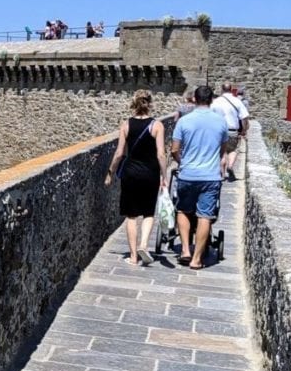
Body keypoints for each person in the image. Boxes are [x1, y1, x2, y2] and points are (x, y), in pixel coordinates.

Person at [171, 85, 233, 269]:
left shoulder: (184, 121)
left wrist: (182, 162)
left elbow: (174, 149)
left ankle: (185, 250)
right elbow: (223, 151)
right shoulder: (221, 122)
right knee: (205, 216)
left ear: (195, 100)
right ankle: (197, 259)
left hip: (188, 174)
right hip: (210, 176)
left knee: (182, 210)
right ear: (211, 100)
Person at [104, 89, 167, 266]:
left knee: (131, 216)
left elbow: (119, 153)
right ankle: (144, 245)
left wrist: (110, 172)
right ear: (150, 103)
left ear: (134, 104)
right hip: (150, 173)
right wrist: (165, 175)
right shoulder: (157, 126)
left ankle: (133, 256)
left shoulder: (126, 125)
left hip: (130, 173)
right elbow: (161, 154)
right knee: (148, 212)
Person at [211, 81, 249, 181]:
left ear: (222, 89)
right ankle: (230, 166)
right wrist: (243, 130)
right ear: (231, 89)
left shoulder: (216, 102)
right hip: (232, 131)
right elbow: (244, 118)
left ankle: (222, 174)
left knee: (222, 152)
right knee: (233, 149)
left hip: (218, 131)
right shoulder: (237, 101)